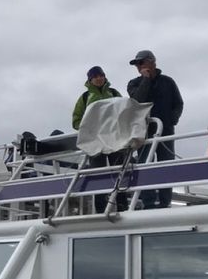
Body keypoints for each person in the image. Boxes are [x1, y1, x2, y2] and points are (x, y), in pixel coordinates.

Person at [126, 50, 184, 208]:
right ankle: (149, 203)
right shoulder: (133, 84)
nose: (139, 66)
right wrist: (145, 80)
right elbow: (137, 100)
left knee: (166, 166)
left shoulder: (168, 82)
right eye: (137, 64)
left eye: (141, 62)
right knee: (145, 166)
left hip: (166, 131)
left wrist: (172, 120)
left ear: (152, 62)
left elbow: (178, 103)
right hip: (144, 132)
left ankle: (165, 202)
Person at [72, 66, 125, 213]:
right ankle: (101, 209)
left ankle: (122, 205)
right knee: (98, 175)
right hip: (95, 141)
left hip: (115, 139)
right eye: (95, 76)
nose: (99, 78)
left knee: (119, 171)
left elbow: (124, 112)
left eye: (101, 75)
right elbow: (76, 121)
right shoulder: (85, 97)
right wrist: (89, 127)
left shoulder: (114, 93)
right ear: (90, 80)